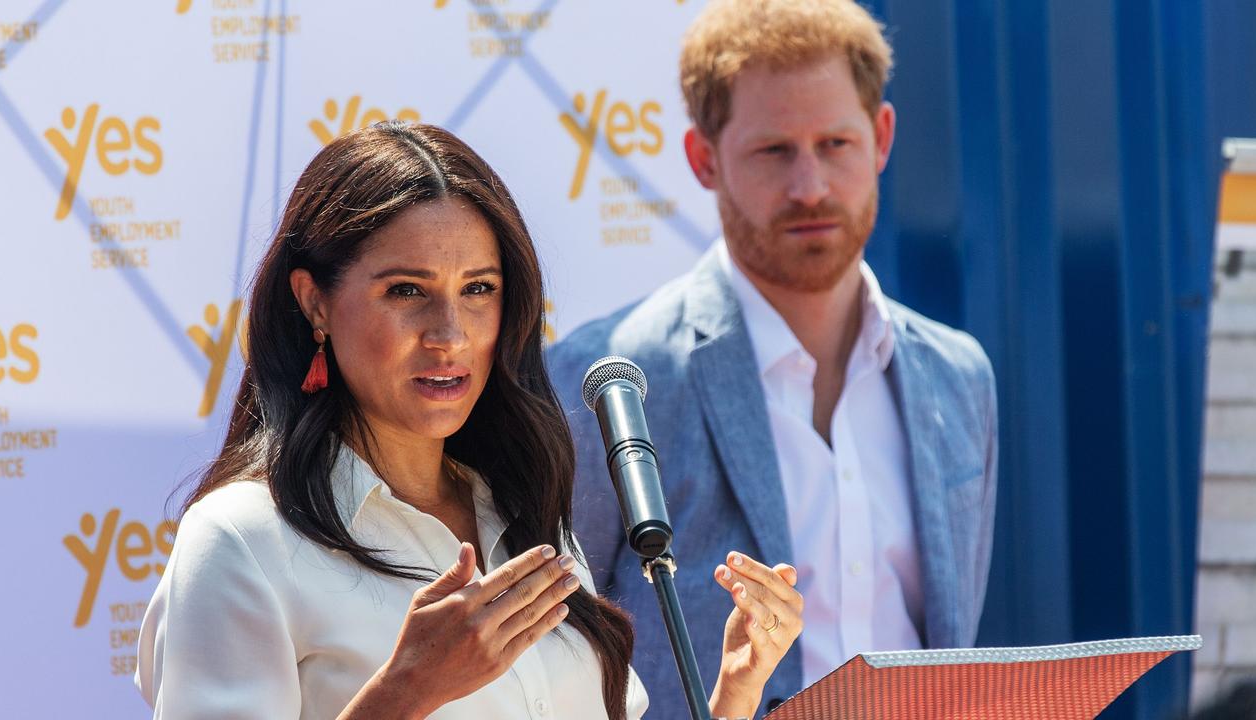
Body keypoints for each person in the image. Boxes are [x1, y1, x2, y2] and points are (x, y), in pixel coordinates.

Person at [135, 122, 804, 720]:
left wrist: (734, 694)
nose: (450, 334)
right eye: (406, 291)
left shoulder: (522, 513)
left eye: (478, 289)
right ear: (314, 303)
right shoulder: (240, 539)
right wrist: (406, 691)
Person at [547, 1, 998, 717]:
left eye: (836, 144)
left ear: (880, 138)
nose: (811, 186)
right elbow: (552, 667)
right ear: (704, 159)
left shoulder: (957, 375)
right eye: (774, 151)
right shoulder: (604, 380)